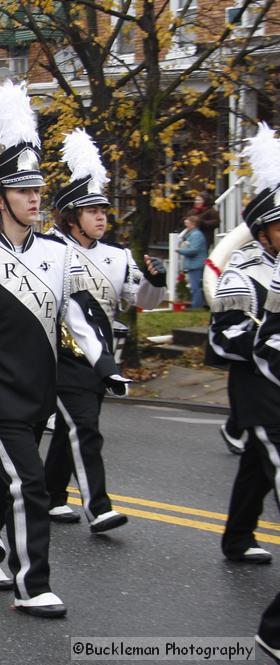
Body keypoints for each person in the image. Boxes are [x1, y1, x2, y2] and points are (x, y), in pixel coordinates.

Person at [0, 82, 127, 617]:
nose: (35, 198)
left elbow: (76, 316)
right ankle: (31, 583)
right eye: (22, 191)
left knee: (6, 477)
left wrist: (104, 365)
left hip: (41, 390)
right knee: (31, 482)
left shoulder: (60, 256)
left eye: (38, 189)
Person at [43, 129, 167, 532]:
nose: (101, 218)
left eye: (104, 211)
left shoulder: (118, 256)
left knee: (71, 428)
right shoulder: (49, 250)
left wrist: (155, 281)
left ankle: (51, 495)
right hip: (61, 357)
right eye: (92, 211)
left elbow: (144, 302)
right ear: (71, 217)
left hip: (102, 358)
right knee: (84, 427)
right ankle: (98, 505)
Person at [210, 122, 280, 568]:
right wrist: (265, 337)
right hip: (259, 393)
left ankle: (237, 538)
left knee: (257, 465)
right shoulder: (243, 275)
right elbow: (221, 341)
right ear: (262, 232)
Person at [178, 215, 208, 309]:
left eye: (188, 223)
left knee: (195, 288)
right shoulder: (192, 234)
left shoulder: (197, 235)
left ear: (193, 224)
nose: (186, 224)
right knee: (194, 287)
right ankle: (196, 305)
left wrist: (179, 250)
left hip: (196, 264)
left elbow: (193, 250)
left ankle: (196, 307)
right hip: (193, 264)